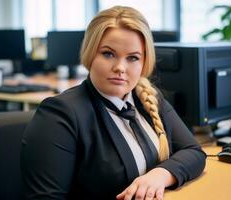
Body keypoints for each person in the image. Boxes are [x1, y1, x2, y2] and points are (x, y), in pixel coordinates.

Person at [21, 6, 206, 200]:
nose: (120, 68)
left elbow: (193, 152)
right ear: (90, 54)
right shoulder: (59, 114)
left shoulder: (149, 97)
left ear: (144, 63)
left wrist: (159, 175)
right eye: (108, 54)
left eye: (133, 58)